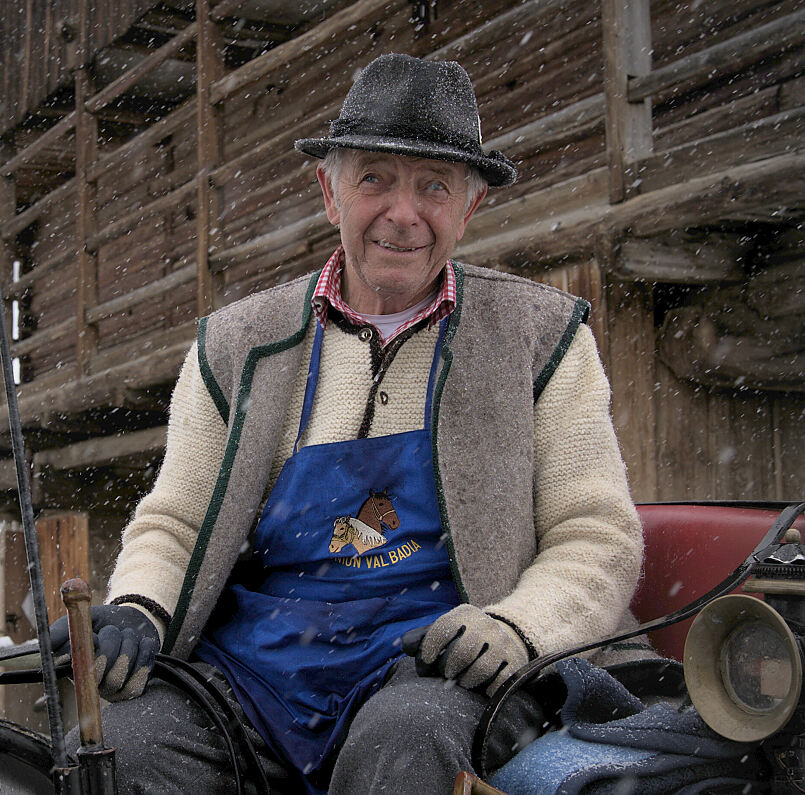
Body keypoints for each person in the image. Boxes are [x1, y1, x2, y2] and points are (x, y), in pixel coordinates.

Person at [50, 53, 646, 793]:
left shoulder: (537, 337)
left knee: (404, 741)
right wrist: (139, 609)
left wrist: (518, 626)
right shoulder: (238, 345)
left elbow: (595, 532)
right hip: (258, 673)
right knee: (118, 753)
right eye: (373, 178)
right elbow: (175, 521)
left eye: (434, 186)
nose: (403, 213)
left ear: (469, 209)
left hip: (434, 666)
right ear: (328, 193)